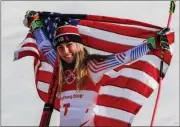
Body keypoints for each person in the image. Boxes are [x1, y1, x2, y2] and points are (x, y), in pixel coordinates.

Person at [24, 11, 171, 126]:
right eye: (61, 48)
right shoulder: (59, 66)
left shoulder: (92, 66)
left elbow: (123, 57)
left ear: (78, 46)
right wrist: (35, 24)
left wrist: (152, 43)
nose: (65, 51)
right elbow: (45, 47)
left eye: (69, 46)